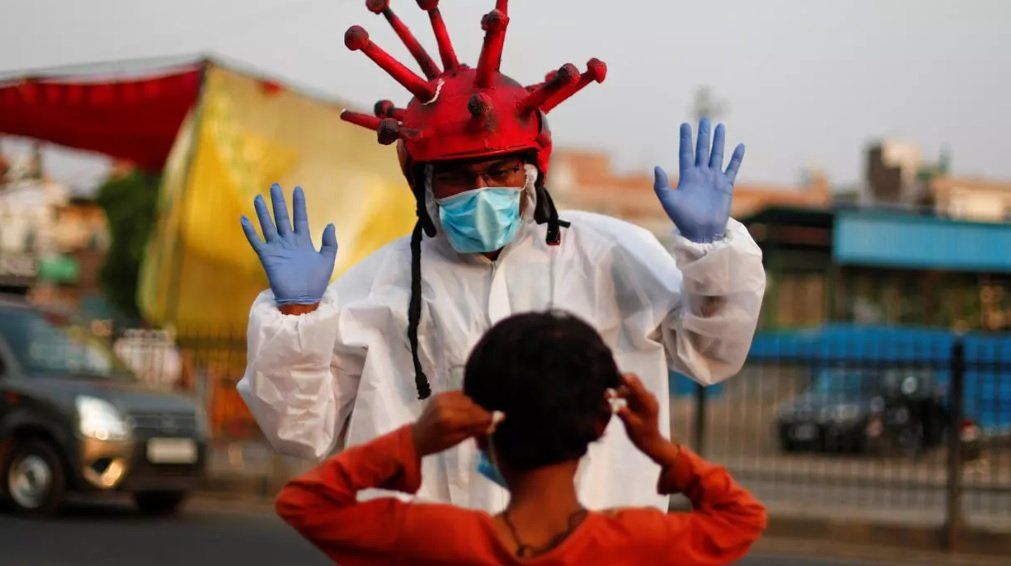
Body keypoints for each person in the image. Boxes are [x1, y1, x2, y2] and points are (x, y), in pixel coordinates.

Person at [238, 0, 766, 511]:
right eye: (456, 177)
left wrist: (712, 256)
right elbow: (300, 430)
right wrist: (297, 321)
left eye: (499, 172)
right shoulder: (382, 284)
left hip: (590, 549)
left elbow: (709, 353)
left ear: (531, 171)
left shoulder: (612, 254)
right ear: (422, 185)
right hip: (434, 552)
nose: (481, 190)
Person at [276, 311, 767, 565]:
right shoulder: (638, 544)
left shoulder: (435, 540)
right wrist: (659, 448)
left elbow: (305, 503)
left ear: (475, 432)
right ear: (601, 423)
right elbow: (741, 517)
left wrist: (415, 441)